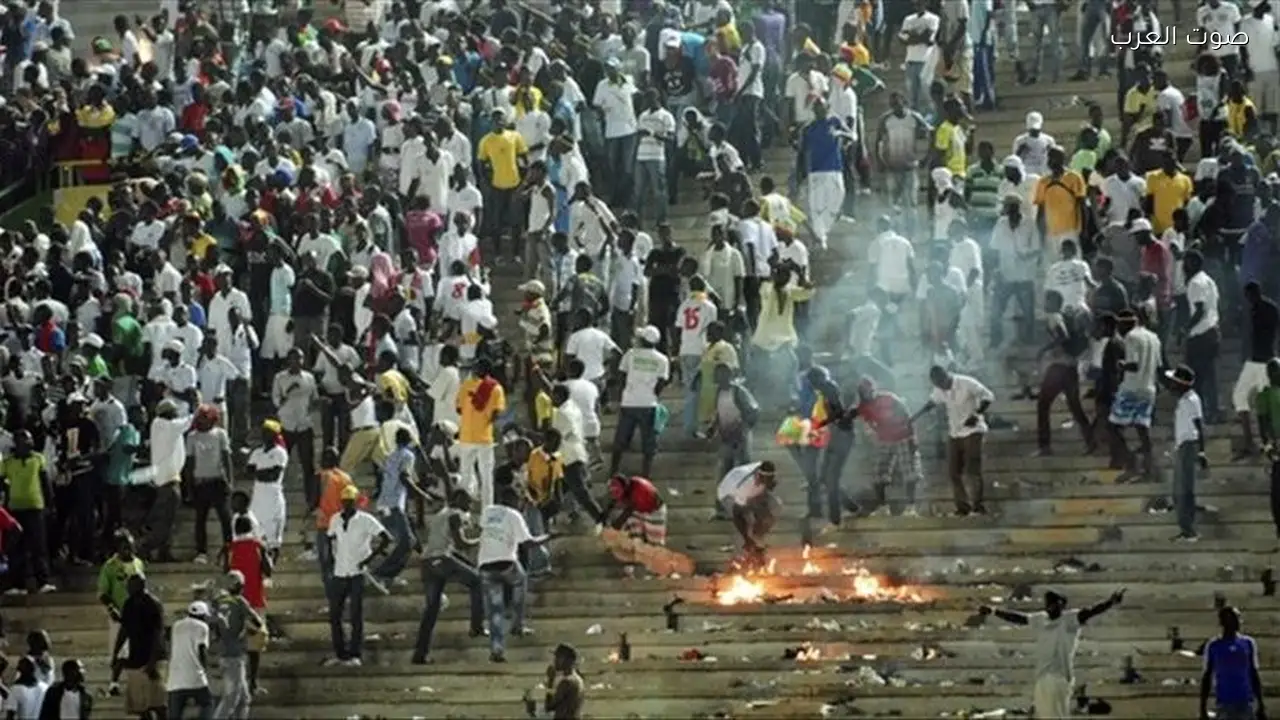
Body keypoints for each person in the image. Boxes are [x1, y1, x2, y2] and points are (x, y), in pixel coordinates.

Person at [977, 588, 1126, 719]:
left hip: (1059, 676)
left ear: (1061, 605)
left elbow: (1091, 611)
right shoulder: (1041, 619)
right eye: (1049, 605)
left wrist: (1110, 602)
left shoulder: (1070, 619)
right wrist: (994, 611)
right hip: (1042, 676)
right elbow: (1019, 618)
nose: (1051, 608)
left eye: (1055, 605)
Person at [412, 487, 484, 665]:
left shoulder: (440, 515)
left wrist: (468, 564)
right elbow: (461, 544)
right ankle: (477, 627)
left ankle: (420, 654)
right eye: (467, 502)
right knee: (477, 582)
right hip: (441, 560)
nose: (469, 506)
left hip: (427, 564)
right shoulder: (455, 515)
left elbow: (448, 548)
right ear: (458, 500)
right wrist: (481, 539)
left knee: (432, 610)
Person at [477, 484, 548, 663]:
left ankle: (497, 650)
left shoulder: (488, 511)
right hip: (506, 563)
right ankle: (517, 624)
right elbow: (528, 544)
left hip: (485, 566)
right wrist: (548, 536)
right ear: (512, 500)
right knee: (520, 580)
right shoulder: (513, 515)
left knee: (495, 611)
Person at [325, 484, 391, 667]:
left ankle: (355, 653)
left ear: (355, 502)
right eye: (344, 501)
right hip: (340, 572)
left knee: (356, 615)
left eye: (349, 501)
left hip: (357, 573)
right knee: (335, 615)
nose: (346, 504)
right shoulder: (335, 519)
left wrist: (369, 559)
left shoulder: (365, 520)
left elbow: (387, 538)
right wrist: (332, 560)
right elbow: (330, 539)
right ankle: (340, 653)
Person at [914, 365, 994, 516]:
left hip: (973, 430)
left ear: (946, 376)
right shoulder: (939, 389)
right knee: (953, 472)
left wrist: (976, 414)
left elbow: (988, 396)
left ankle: (978, 506)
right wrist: (915, 417)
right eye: (937, 385)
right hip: (955, 432)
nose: (941, 387)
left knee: (972, 470)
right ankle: (963, 507)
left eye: (942, 383)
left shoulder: (966, 382)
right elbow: (931, 402)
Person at [111, 575, 166, 720]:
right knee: (140, 706)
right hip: (136, 658)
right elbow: (124, 629)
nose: (128, 588)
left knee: (158, 704)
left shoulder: (153, 604)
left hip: (153, 659)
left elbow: (158, 634)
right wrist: (115, 653)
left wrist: (152, 662)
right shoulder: (129, 604)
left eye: (131, 585)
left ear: (141, 586)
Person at [212, 569, 263, 720]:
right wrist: (248, 630)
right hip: (235, 655)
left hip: (223, 653)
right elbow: (257, 623)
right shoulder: (240, 602)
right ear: (241, 586)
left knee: (244, 699)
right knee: (231, 698)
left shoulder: (219, 602)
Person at [98, 531, 145, 697]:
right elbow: (103, 593)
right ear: (117, 548)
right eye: (125, 547)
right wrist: (112, 608)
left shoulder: (138, 563)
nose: (129, 550)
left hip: (138, 615)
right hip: (120, 615)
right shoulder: (110, 566)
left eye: (131, 546)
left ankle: (135, 684)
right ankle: (113, 684)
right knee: (117, 651)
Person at [1201, 606, 1266, 720]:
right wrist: (1202, 707)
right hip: (1224, 704)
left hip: (1246, 703)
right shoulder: (1213, 645)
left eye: (1238, 618)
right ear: (1223, 621)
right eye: (1234, 618)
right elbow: (1207, 676)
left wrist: (1261, 703)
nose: (1238, 622)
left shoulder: (1248, 643)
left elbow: (1254, 673)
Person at [1166, 365, 1207, 543]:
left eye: (1174, 382)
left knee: (1183, 491)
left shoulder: (1191, 400)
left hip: (1189, 446)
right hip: (1183, 445)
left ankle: (1189, 530)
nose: (1171, 385)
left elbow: (1199, 426)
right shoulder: (1184, 399)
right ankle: (1185, 528)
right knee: (1178, 491)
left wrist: (1202, 451)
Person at [716, 461, 779, 567]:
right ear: (759, 477)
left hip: (752, 493)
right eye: (767, 481)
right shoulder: (745, 486)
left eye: (771, 480)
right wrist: (746, 538)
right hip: (730, 495)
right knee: (747, 521)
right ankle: (745, 555)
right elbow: (737, 514)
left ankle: (756, 539)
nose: (769, 483)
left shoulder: (765, 471)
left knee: (775, 506)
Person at [165, 602, 212, 720]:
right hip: (195, 676)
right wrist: (205, 670)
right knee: (207, 704)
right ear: (202, 615)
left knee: (174, 715)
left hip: (175, 679)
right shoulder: (202, 626)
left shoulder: (176, 625)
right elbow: (202, 651)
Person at [544, 643, 587, 719]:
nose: (555, 660)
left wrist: (550, 680)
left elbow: (548, 707)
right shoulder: (578, 679)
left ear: (569, 660)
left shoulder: (566, 682)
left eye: (558, 657)